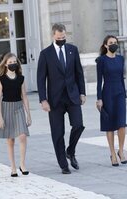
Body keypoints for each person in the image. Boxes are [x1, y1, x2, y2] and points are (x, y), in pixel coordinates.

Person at [37, 23, 86, 174]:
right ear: (53, 36)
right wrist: (43, 99)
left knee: (78, 125)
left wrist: (82, 92)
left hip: (72, 96)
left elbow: (79, 73)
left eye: (64, 37)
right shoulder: (45, 54)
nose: (62, 39)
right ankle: (63, 164)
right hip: (54, 99)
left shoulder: (73, 50)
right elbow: (41, 78)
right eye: (59, 38)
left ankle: (70, 151)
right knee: (58, 133)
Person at [0, 52, 32, 177]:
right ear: (5, 64)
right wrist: (0, 117)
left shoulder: (21, 78)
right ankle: (13, 167)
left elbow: (24, 96)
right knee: (10, 139)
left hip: (19, 108)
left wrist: (28, 114)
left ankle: (22, 164)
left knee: (22, 136)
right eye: (10, 63)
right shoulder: (2, 80)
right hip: (6, 109)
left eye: (14, 62)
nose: (12, 64)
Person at [96, 35, 127, 167]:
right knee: (109, 124)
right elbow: (99, 81)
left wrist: (125, 95)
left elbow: (121, 78)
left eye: (115, 42)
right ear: (105, 45)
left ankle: (121, 150)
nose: (114, 44)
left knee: (121, 124)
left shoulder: (121, 59)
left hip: (120, 93)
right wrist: (99, 99)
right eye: (111, 43)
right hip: (107, 93)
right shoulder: (101, 60)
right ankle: (113, 153)